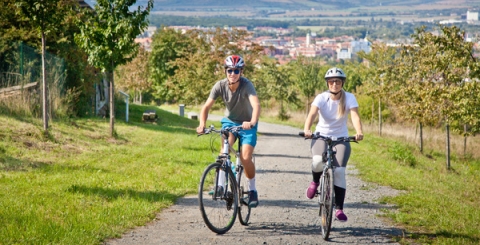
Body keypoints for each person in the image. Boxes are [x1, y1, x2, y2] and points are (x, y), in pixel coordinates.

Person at [196, 55, 261, 208]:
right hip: (230, 122)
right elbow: (206, 107)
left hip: (247, 124)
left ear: (241, 72)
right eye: (230, 70)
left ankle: (252, 190)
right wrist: (202, 124)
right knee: (223, 153)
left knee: (245, 157)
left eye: (236, 71)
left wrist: (252, 122)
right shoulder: (220, 85)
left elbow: (256, 105)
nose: (233, 74)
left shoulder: (247, 85)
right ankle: (219, 186)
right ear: (225, 71)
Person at [303, 67, 364, 222]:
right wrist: (307, 129)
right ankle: (315, 182)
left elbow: (355, 116)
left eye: (337, 81)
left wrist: (359, 131)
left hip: (341, 138)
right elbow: (312, 114)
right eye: (331, 81)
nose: (334, 84)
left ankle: (339, 209)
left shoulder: (349, 97)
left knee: (339, 172)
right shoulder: (322, 98)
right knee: (317, 161)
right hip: (321, 136)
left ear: (342, 83)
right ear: (327, 83)